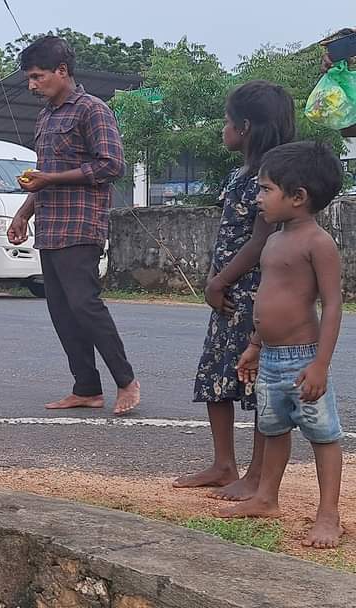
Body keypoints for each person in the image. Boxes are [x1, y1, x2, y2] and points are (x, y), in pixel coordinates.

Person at [220, 141, 345, 550]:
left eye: (265, 189)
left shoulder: (318, 243)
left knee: (322, 435)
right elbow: (269, 297)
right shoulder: (273, 240)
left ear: (298, 196)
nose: (257, 198)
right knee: (273, 429)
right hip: (271, 357)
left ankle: (328, 514)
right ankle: (266, 497)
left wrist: (321, 364)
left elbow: (332, 305)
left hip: (303, 359)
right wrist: (255, 344)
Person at [173, 82, 295, 498]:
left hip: (255, 292)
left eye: (226, 121)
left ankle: (257, 474)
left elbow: (260, 239)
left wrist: (219, 280)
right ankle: (224, 464)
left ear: (244, 126)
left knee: (256, 379)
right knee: (216, 373)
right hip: (227, 292)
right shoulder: (237, 175)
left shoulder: (269, 178)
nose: (222, 129)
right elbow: (229, 234)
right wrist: (217, 279)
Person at [6, 36, 139, 415]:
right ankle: (86, 388)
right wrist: (23, 213)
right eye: (29, 78)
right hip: (50, 227)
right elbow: (43, 175)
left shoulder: (92, 110)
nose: (32, 85)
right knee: (62, 312)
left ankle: (126, 381)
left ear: (62, 71)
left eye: (38, 76)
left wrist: (51, 179)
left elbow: (111, 165)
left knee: (85, 305)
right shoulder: (46, 116)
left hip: (80, 224)